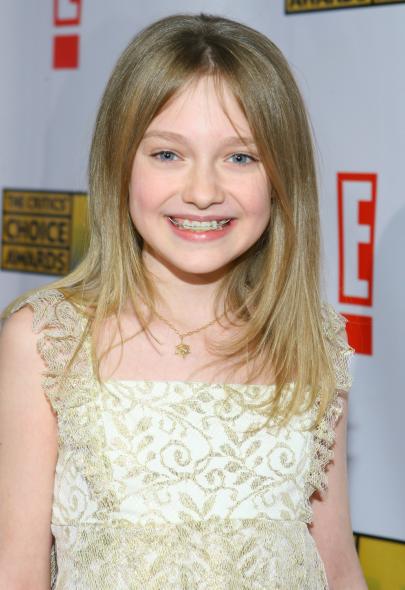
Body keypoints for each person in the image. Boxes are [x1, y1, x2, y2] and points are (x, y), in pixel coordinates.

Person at [0, 12, 367, 590]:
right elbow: (15, 572)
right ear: (120, 163)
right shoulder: (49, 341)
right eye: (168, 155)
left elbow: (337, 564)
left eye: (240, 157)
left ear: (283, 178)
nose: (201, 192)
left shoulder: (313, 340)